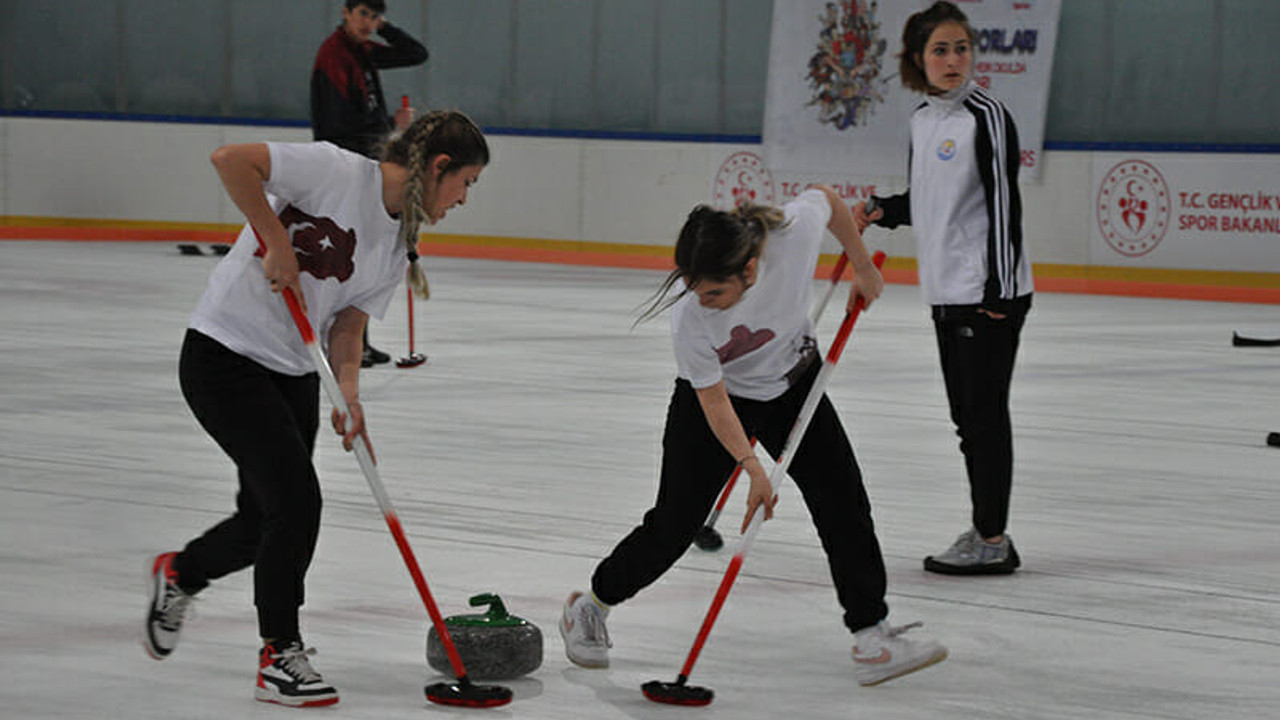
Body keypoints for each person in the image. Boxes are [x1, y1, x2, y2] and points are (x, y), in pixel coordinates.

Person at [142, 111, 489, 707]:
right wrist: (275, 241)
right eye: (467, 183)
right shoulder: (335, 170)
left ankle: (180, 575)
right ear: (438, 168)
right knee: (297, 504)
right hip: (223, 354)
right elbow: (231, 161)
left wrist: (348, 397)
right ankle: (280, 653)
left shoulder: (396, 239)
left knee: (262, 523)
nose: (464, 199)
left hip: (295, 374)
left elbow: (349, 327)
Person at [560, 187, 948, 688]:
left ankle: (872, 635)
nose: (704, 302)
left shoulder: (790, 234)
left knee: (843, 504)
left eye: (714, 293)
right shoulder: (691, 315)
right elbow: (715, 401)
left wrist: (863, 266)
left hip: (794, 384)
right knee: (673, 526)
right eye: (695, 289)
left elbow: (828, 200)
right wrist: (752, 467)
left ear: (749, 269)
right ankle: (590, 607)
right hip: (719, 401)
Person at [855, 1, 1033, 576]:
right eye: (940, 50)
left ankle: (993, 538)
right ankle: (986, 528)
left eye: (961, 48)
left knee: (984, 417)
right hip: (946, 292)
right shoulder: (922, 120)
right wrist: (886, 209)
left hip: (988, 295)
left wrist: (999, 297)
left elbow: (1005, 210)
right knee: (967, 420)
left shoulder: (986, 116)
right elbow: (930, 202)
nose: (954, 60)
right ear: (917, 59)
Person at [311, 0, 429, 367]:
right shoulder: (334, 56)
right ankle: (343, 339)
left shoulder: (361, 51)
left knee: (362, 252)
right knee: (348, 252)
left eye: (375, 17)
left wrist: (383, 28)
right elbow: (336, 125)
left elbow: (416, 54)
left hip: (365, 163)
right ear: (346, 12)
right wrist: (387, 127)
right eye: (363, 14)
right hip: (345, 167)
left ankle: (359, 340)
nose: (369, 23)